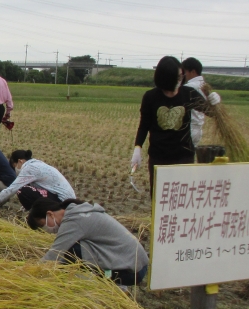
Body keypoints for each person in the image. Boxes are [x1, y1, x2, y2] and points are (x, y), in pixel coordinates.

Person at [131, 56, 211, 195]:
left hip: (184, 156)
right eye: (177, 78)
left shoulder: (188, 94)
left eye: (181, 77)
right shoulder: (151, 97)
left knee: (183, 197)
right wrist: (138, 147)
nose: (180, 80)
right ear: (166, 78)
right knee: (160, 198)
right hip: (159, 157)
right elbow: (144, 125)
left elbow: (210, 112)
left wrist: (213, 102)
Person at [28, 196, 149, 288]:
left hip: (131, 273)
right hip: (137, 265)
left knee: (74, 251)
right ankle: (105, 281)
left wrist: (29, 273)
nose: (47, 231)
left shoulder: (73, 221)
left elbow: (54, 254)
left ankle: (111, 283)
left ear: (50, 214)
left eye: (43, 225)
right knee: (75, 253)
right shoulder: (79, 212)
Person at [0, 150, 76, 211]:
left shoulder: (29, 168)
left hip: (63, 203)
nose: (16, 170)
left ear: (20, 161)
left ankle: (40, 216)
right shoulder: (37, 164)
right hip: (68, 201)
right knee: (28, 190)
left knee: (23, 191)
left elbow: (12, 189)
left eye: (15, 166)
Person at [181, 57, 222, 147]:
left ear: (193, 72)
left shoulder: (190, 87)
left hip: (189, 128)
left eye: (185, 72)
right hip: (198, 129)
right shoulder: (204, 85)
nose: (183, 75)